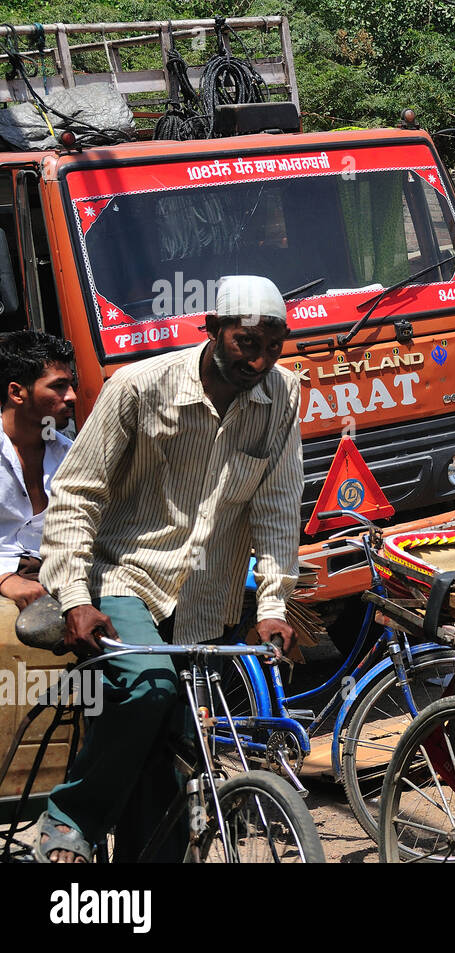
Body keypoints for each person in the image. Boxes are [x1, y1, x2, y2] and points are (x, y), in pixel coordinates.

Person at [35, 275, 303, 862]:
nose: (260, 359)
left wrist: (275, 606)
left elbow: (279, 507)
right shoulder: (138, 386)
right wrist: (75, 594)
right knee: (148, 688)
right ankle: (68, 818)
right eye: (246, 343)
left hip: (208, 593)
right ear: (211, 331)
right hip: (125, 573)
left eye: (274, 344)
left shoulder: (283, 394)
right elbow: (77, 494)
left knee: (177, 746)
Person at [1, 330, 77, 636]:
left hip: (59, 579)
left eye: (71, 385)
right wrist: (6, 580)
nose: (71, 396)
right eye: (58, 387)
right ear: (17, 393)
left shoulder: (69, 454)